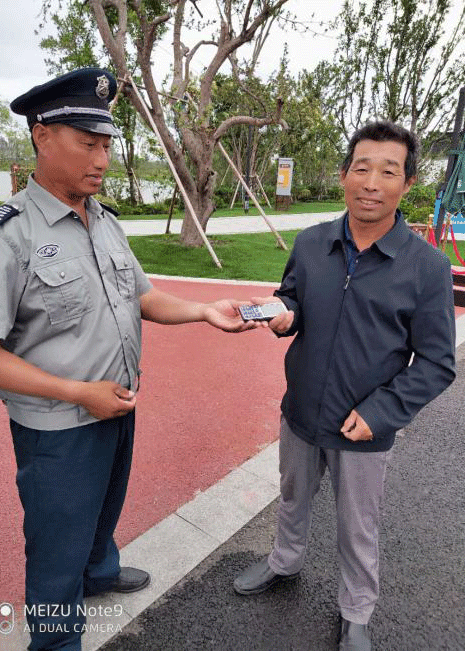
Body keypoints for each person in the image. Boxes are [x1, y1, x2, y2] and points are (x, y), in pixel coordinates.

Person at [0, 68, 259, 651]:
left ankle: (99, 572)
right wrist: (79, 393)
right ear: (42, 136)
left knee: (104, 508)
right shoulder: (3, 237)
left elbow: (142, 296)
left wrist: (204, 311)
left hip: (117, 405)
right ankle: (56, 641)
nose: (102, 160)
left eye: (106, 145)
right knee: (56, 545)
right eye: (88, 144)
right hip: (58, 428)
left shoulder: (104, 221)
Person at [233, 121, 456, 651]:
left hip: (363, 426)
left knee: (359, 524)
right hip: (300, 411)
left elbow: (437, 363)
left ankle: (356, 610)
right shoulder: (312, 243)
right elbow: (293, 297)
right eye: (362, 168)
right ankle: (284, 561)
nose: (372, 183)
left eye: (388, 171)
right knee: (292, 496)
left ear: (408, 182)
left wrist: (381, 413)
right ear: (343, 176)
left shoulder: (427, 267)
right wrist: (284, 313)